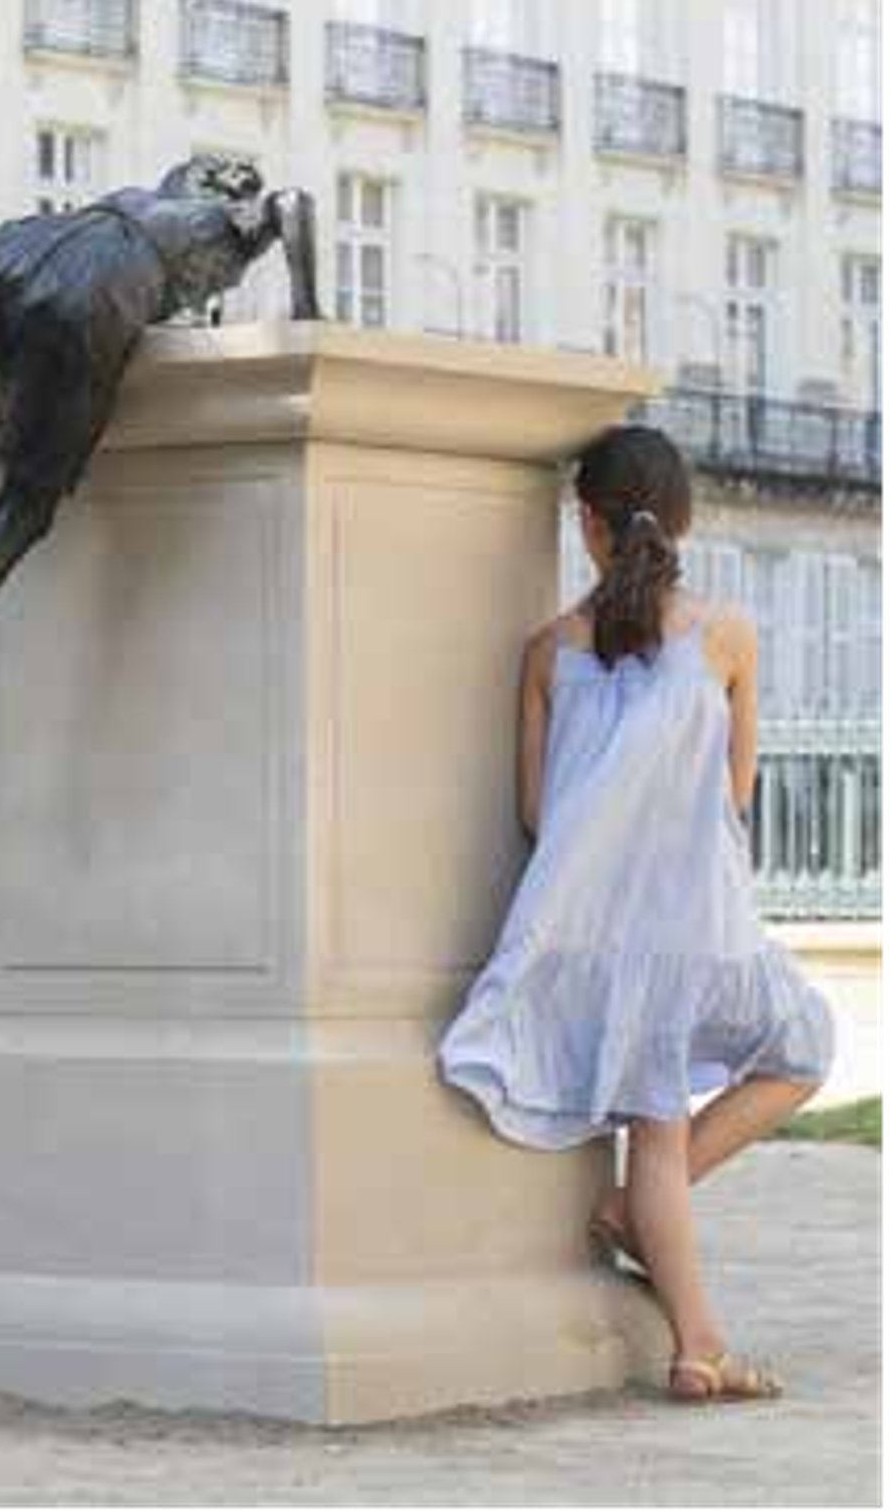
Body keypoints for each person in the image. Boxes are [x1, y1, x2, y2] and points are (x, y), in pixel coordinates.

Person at [437, 422, 835, 1404]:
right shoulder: (728, 639)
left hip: (574, 935)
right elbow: (733, 796)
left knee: (652, 1137)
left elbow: (537, 813)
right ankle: (694, 1340)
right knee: (797, 1054)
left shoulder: (543, 653)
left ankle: (638, 1231)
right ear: (685, 522)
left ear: (586, 524)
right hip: (687, 924)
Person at [0, 153, 322, 771]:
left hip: (22, 250)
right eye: (225, 279)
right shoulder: (225, 221)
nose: (223, 284)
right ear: (229, 194)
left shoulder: (138, 201)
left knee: (0, 319)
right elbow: (293, 206)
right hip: (90, 302)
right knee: (27, 509)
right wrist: (307, 310)